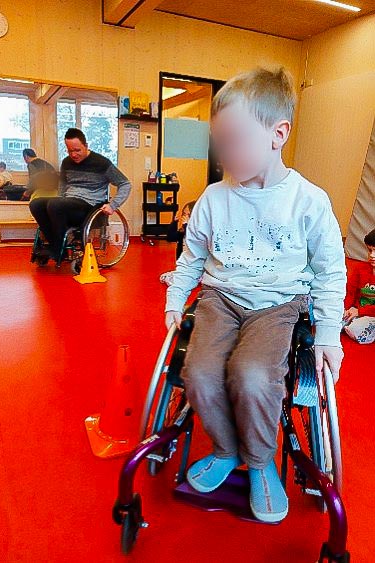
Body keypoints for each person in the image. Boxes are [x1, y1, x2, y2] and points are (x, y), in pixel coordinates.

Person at [165, 67, 346, 523]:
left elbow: (330, 271)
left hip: (279, 304)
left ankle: (261, 460)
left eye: (236, 141)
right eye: (220, 143)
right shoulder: (213, 198)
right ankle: (226, 450)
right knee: (199, 372)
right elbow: (191, 258)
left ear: (277, 134)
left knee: (252, 375)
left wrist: (328, 335)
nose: (226, 154)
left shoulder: (308, 201)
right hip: (221, 296)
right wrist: (176, 299)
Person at [29, 128, 131, 259]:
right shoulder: (66, 162)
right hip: (68, 203)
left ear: (86, 146)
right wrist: (59, 200)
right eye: (70, 151)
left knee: (55, 205)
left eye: (77, 150)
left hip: (89, 205)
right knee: (36, 204)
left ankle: (57, 248)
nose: (74, 155)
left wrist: (113, 205)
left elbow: (125, 184)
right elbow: (63, 185)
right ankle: (56, 244)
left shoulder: (102, 163)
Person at [343, 228, 375, 344]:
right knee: (334, 320)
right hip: (357, 311)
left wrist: (360, 311)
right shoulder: (361, 269)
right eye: (370, 250)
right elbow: (350, 292)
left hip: (370, 314)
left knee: (356, 328)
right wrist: (345, 309)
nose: (372, 255)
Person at [160, 201, 196, 286]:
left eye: (188, 215)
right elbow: (170, 238)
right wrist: (174, 223)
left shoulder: (197, 233)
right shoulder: (182, 231)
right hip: (183, 265)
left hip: (194, 266)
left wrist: (186, 225)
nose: (185, 217)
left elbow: (191, 237)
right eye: (184, 214)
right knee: (167, 277)